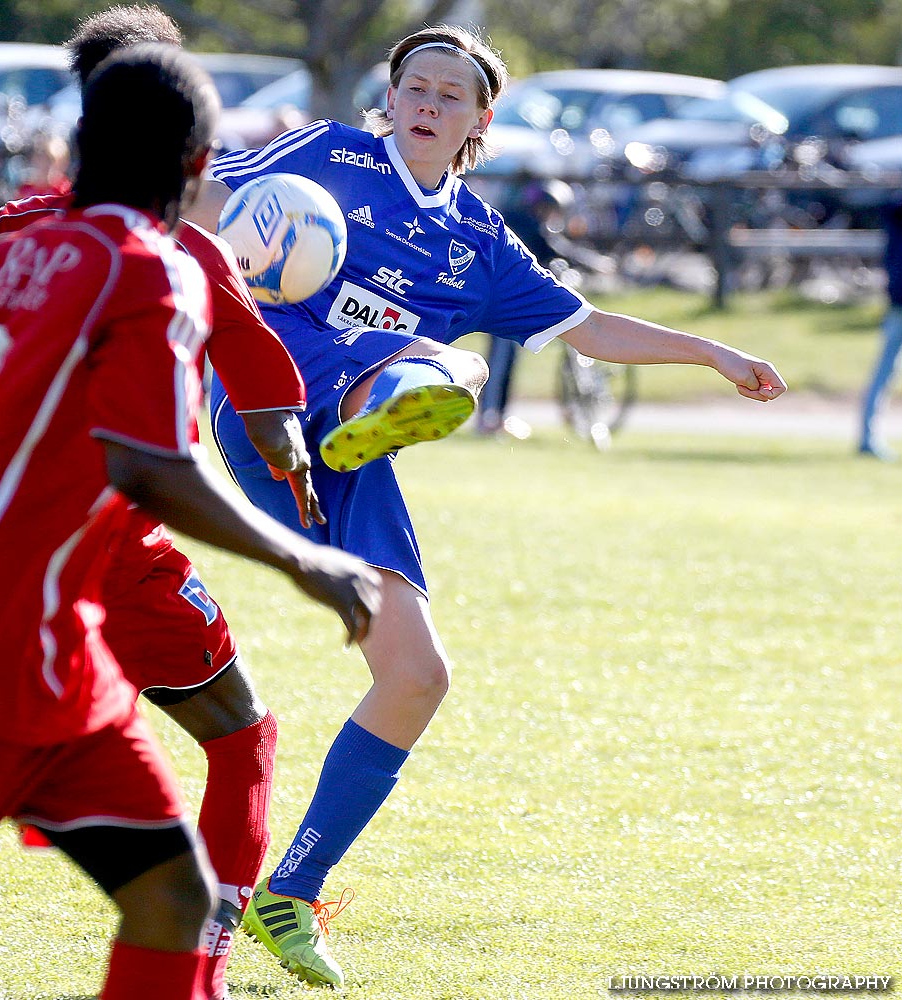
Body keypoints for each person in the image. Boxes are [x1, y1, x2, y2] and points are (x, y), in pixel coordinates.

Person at [186, 23, 787, 988]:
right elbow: (206, 189)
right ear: (391, 96)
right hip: (267, 406)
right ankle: (383, 395)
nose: (425, 106)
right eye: (413, 88)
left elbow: (586, 327)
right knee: (451, 364)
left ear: (478, 120)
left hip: (349, 464)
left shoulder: (474, 241)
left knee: (418, 675)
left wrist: (711, 352)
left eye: (447, 96)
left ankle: (289, 892)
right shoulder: (326, 155)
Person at [0, 42, 380, 1000]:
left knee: (171, 899)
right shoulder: (155, 272)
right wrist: (303, 561)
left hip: (61, 668)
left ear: (79, 144)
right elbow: (149, 466)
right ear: (199, 167)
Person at [0, 9, 336, 998]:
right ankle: (201, 962)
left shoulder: (6, 232)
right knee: (242, 736)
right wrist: (299, 494)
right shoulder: (184, 254)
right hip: (116, 554)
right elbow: (266, 418)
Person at [858, 198, 902, 460]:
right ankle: (867, 438)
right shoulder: (895, 208)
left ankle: (868, 438)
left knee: (886, 369)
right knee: (886, 369)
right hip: (900, 299)